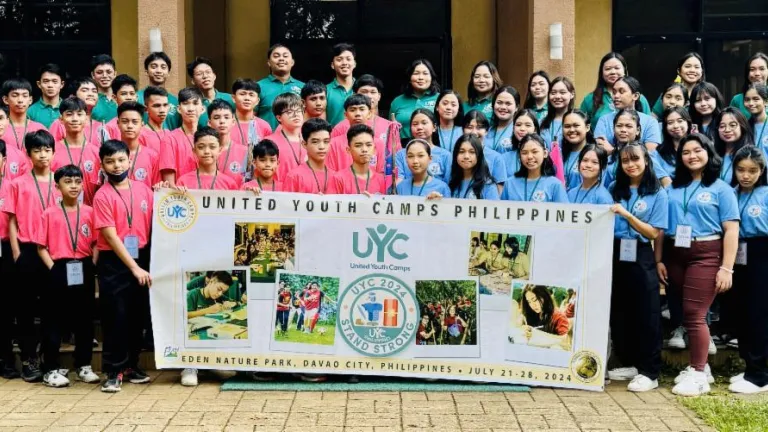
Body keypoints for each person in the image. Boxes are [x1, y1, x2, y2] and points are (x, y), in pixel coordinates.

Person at [658, 133, 739, 397]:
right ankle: (702, 368)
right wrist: (659, 259)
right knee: (686, 312)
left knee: (695, 313)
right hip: (675, 252)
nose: (692, 156)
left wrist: (726, 268)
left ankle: (698, 373)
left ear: (708, 152)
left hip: (706, 252)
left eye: (697, 150)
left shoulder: (721, 188)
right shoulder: (672, 188)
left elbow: (731, 230)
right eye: (686, 152)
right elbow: (661, 227)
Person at [606, 142, 667, 392]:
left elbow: (653, 232)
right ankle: (630, 363)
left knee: (646, 311)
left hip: (641, 252)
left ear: (646, 161)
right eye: (625, 160)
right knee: (620, 310)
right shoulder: (614, 188)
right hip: (615, 250)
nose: (630, 165)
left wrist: (628, 216)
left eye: (635, 159)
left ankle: (650, 371)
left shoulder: (657, 192)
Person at [93, 139, 153, 393]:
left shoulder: (144, 190)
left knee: (137, 315)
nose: (116, 166)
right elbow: (110, 236)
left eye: (120, 160)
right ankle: (113, 370)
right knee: (115, 316)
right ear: (102, 165)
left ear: (130, 161)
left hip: (142, 256)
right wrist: (134, 268)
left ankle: (131, 365)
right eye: (110, 162)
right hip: (115, 262)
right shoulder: (102, 195)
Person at [2, 130, 62, 382]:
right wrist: (17, 253)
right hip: (27, 251)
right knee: (25, 309)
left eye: (47, 150)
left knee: (52, 309)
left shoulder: (62, 183)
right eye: (37, 150)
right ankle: (29, 360)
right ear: (28, 154)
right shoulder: (17, 184)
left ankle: (51, 361)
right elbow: (12, 220)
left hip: (54, 252)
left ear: (54, 152)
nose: (42, 155)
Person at [34, 164, 100, 387]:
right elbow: (41, 247)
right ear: (57, 186)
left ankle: (83, 365)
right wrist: (53, 268)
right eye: (68, 182)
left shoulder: (89, 212)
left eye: (78, 182)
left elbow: (96, 242)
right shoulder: (49, 213)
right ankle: (50, 369)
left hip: (84, 266)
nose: (74, 186)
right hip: (58, 267)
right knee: (54, 319)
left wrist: (92, 264)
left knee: (85, 319)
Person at [729, 146, 768, 394]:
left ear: (761, 171)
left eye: (752, 171)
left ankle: (759, 375)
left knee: (758, 314)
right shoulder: (731, 193)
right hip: (737, 253)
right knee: (741, 312)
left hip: (761, 252)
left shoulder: (765, 193)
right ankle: (748, 367)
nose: (746, 175)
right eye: (741, 169)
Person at [579, 52, 651, 127]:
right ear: (601, 73)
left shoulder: (639, 98)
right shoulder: (590, 99)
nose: (613, 72)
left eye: (617, 68)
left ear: (625, 70)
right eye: (608, 69)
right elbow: (581, 125)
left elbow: (648, 124)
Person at [50, 97, 100, 204]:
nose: (75, 119)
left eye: (79, 114)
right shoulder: (52, 152)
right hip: (59, 210)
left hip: (90, 211)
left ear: (86, 118)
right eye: (69, 114)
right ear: (61, 119)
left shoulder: (97, 153)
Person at [594, 76, 661, 152]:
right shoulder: (604, 120)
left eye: (621, 92)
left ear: (635, 96)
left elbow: (651, 154)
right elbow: (600, 150)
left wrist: (612, 151)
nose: (616, 96)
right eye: (614, 92)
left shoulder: (650, 122)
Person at [327, 95, 385, 175]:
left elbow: (381, 174)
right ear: (345, 115)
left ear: (369, 113)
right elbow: (330, 173)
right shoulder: (333, 144)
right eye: (352, 110)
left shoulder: (378, 144)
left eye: (362, 109)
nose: (357, 114)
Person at [500, 134, 567, 203]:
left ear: (545, 153)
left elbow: (563, 209)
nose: (529, 157)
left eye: (534, 152)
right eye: (524, 153)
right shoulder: (510, 184)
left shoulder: (555, 184)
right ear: (519, 156)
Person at [159, 87, 204, 185]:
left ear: (202, 109)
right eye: (186, 103)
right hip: (180, 193)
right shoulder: (169, 139)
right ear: (179, 109)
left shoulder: (207, 139)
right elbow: (169, 183)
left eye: (195, 103)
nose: (191, 109)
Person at [395, 109, 452, 183]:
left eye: (424, 123)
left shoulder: (445, 155)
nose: (419, 127)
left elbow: (448, 184)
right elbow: (399, 183)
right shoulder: (401, 155)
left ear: (434, 127)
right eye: (415, 124)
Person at [174, 127, 238, 191]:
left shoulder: (229, 184)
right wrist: (180, 193)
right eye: (201, 147)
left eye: (212, 147)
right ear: (194, 151)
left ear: (220, 150)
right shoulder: (183, 182)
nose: (207, 151)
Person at [49, 77, 108, 147]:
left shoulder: (101, 127)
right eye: (85, 90)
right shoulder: (60, 124)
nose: (91, 94)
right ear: (72, 96)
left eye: (94, 91)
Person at [257, 44, 305, 130]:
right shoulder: (258, 87)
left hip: (296, 137)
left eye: (285, 56)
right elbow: (250, 117)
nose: (281, 59)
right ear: (269, 62)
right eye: (276, 56)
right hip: (266, 137)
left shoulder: (303, 87)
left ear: (292, 62)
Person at [331, 74, 391, 142]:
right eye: (364, 92)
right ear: (355, 95)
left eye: (373, 92)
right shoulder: (340, 127)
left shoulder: (389, 126)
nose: (369, 96)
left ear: (379, 96)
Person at [390, 59, 440, 140]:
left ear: (431, 77)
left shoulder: (440, 99)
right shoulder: (397, 102)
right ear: (409, 78)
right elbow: (390, 130)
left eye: (425, 73)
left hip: (433, 144)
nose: (421, 77)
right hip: (403, 146)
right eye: (416, 73)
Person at [284, 118, 337, 194]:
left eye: (326, 141)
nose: (322, 147)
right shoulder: (294, 176)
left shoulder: (336, 177)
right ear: (304, 144)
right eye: (315, 142)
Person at [332, 124, 386, 195]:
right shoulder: (338, 179)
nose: (364, 149)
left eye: (368, 145)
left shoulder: (382, 180)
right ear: (348, 150)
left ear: (374, 150)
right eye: (358, 145)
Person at [265, 93, 306, 181]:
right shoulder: (269, 142)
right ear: (279, 117)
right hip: (280, 188)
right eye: (289, 112)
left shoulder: (311, 140)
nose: (296, 115)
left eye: (299, 110)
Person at [651, 53, 705, 118]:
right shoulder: (669, 93)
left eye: (696, 67)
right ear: (679, 71)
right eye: (687, 66)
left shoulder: (706, 95)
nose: (692, 70)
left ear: (702, 71)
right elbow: (653, 119)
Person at [208, 100, 247, 187]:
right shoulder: (204, 151)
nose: (222, 121)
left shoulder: (244, 152)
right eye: (216, 117)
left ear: (233, 122)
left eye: (226, 117)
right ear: (209, 123)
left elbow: (250, 183)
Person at [448, 133, 499, 199]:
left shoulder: (488, 185)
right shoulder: (450, 181)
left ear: (479, 155)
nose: (466, 156)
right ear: (455, 155)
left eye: (472, 152)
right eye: (461, 151)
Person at [1, 78, 47, 152]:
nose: (20, 100)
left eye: (25, 96)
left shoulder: (39, 128)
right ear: (6, 100)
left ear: (30, 100)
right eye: (15, 95)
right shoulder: (1, 127)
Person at [713, 107, 754, 184]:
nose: (727, 130)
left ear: (742, 127)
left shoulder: (751, 155)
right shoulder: (712, 154)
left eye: (732, 125)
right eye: (722, 126)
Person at [654, 107, 692, 188]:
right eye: (670, 123)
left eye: (680, 121)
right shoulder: (657, 153)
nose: (675, 126)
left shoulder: (699, 148)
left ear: (688, 123)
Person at [231, 78, 273, 149]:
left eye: (251, 95)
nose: (247, 98)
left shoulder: (264, 126)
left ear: (257, 101)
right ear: (233, 98)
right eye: (242, 94)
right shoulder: (225, 124)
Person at [137, 52, 179, 117]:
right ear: (146, 72)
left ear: (168, 73)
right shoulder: (137, 98)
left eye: (163, 67)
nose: (159, 71)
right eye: (154, 67)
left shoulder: (175, 101)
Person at [500, 109, 540, 176]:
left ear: (535, 129)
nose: (522, 129)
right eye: (518, 125)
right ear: (513, 128)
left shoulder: (543, 156)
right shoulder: (503, 158)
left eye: (528, 125)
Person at [540, 77, 576, 150]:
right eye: (553, 93)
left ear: (572, 94)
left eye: (562, 92)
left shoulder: (578, 120)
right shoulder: (541, 122)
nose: (557, 96)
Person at [560, 110, 592, 190]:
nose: (571, 130)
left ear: (587, 127)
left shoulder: (594, 154)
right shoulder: (558, 153)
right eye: (567, 126)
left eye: (576, 125)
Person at [326, 43, 356, 125]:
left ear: (354, 64)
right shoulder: (325, 91)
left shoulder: (362, 89)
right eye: (339, 60)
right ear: (332, 65)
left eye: (348, 59)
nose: (344, 63)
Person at [730, 52, 768, 119]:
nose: (757, 73)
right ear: (747, 73)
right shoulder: (737, 100)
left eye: (762, 69)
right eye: (752, 69)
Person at [28, 63, 65, 128]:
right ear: (39, 84)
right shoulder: (30, 111)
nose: (50, 85)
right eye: (46, 81)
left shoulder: (69, 108)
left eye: (54, 81)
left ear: (62, 84)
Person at [485, 86, 520, 153]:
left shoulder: (519, 130)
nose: (503, 107)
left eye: (508, 104)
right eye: (499, 103)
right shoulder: (487, 130)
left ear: (516, 107)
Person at [103, 75, 139, 139]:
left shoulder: (141, 124)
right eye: (124, 94)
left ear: (136, 97)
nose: (129, 97)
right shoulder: (109, 127)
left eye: (132, 93)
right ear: (114, 98)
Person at [140, 86, 172, 153]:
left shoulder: (169, 133)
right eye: (157, 106)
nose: (162, 110)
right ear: (146, 109)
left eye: (165, 105)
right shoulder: (140, 135)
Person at [90, 54, 118, 122]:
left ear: (115, 74)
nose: (105, 76)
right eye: (99, 72)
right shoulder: (90, 100)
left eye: (109, 72)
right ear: (93, 75)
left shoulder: (123, 97)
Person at [744, 83, 768, 149]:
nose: (751, 103)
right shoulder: (744, 127)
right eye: (747, 100)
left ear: (766, 102)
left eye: (756, 99)